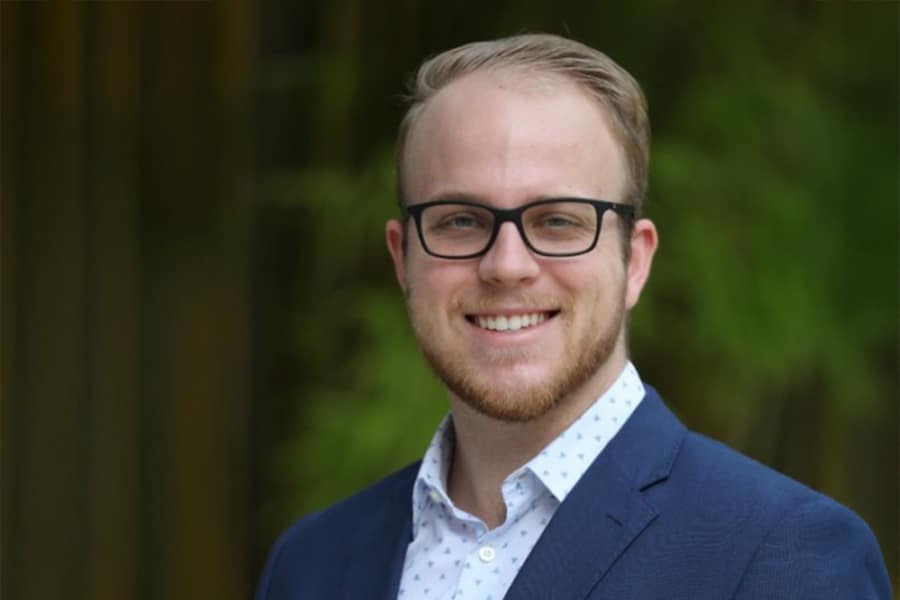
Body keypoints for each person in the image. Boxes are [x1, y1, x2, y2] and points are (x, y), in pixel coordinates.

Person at [255, 34, 891, 599]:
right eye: (460, 221)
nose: (507, 266)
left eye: (557, 221)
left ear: (634, 261)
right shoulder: (312, 565)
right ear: (403, 258)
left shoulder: (787, 556)